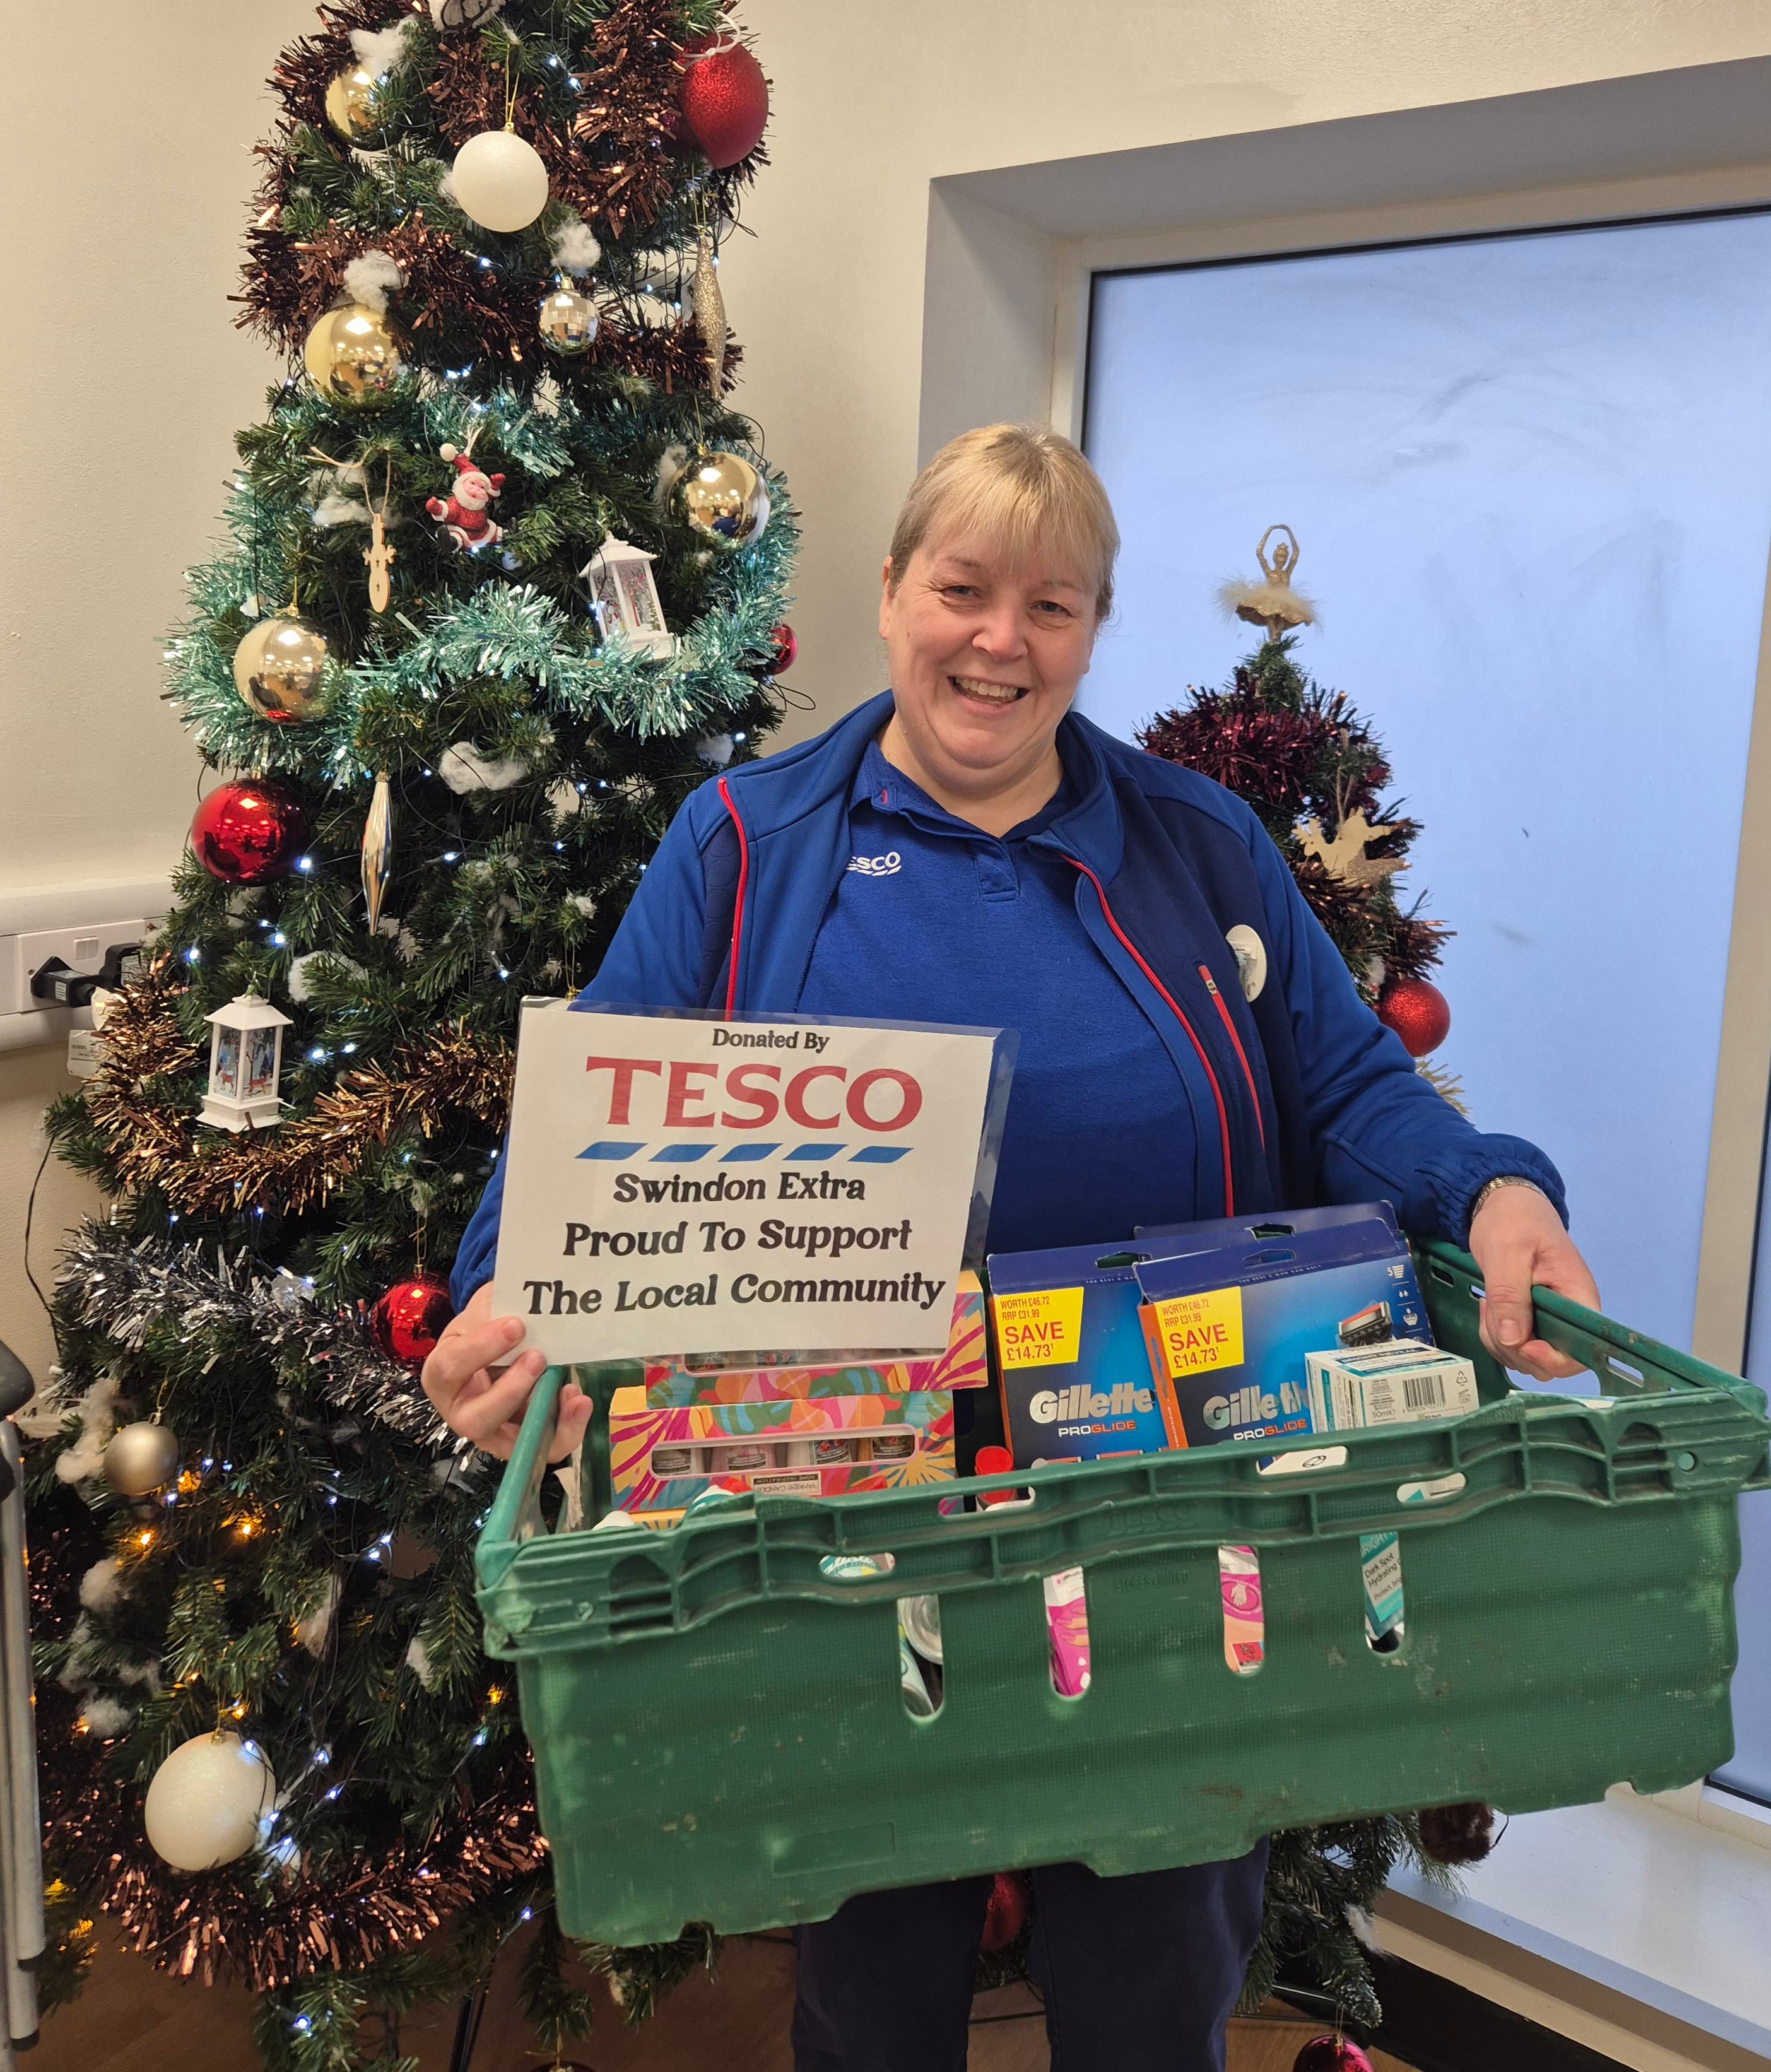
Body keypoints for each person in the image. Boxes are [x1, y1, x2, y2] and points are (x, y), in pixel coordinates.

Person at [423, 423, 1598, 2072]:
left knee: (1152, 1959)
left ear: (1092, 628)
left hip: (1170, 1504)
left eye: (1051, 604)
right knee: (871, 1963)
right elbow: (606, 1106)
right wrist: (512, 1297)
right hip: (849, 1499)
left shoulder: (1196, 845)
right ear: (893, 591)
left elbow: (1344, 1081)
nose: (1000, 639)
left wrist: (1490, 1187)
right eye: (962, 589)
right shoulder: (752, 842)